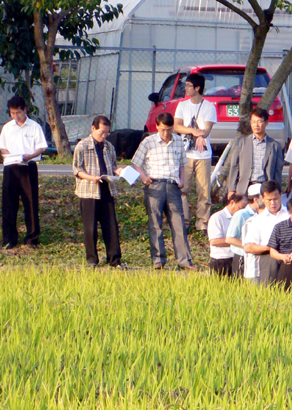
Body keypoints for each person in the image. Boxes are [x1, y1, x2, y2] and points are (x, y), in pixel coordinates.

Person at [130, 112, 196, 270]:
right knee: (155, 223)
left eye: (169, 129)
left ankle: (185, 260)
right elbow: (136, 163)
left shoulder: (178, 141)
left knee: (178, 223)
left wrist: (181, 180)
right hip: (155, 185)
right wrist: (143, 177)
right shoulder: (149, 142)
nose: (166, 133)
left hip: (173, 185)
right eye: (162, 130)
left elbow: (182, 164)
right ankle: (158, 259)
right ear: (157, 127)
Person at [73, 115, 125, 267]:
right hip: (89, 191)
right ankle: (92, 259)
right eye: (101, 132)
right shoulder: (82, 146)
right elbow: (77, 169)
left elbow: (112, 165)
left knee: (111, 226)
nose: (104, 136)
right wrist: (91, 178)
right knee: (90, 228)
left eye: (106, 133)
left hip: (106, 188)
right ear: (93, 128)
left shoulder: (109, 146)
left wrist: (118, 171)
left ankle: (114, 259)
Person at [0, 96, 46, 249]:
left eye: (18, 112)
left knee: (30, 203)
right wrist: (11, 155)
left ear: (25, 110)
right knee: (9, 203)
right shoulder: (7, 127)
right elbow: (2, 147)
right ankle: (9, 238)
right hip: (11, 167)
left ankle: (32, 238)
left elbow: (41, 146)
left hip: (28, 166)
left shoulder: (34, 127)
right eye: (12, 113)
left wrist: (30, 155)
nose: (16, 116)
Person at [174, 72, 217, 233]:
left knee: (203, 191)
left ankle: (202, 223)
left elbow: (207, 129)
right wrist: (193, 131)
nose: (185, 88)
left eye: (188, 86)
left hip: (203, 155)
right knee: (182, 189)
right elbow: (177, 126)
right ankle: (183, 221)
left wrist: (201, 135)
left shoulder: (209, 107)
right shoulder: (182, 105)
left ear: (197, 88)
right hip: (185, 155)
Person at [226, 107, 284, 197]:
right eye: (253, 122)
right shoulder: (241, 142)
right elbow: (234, 166)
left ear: (266, 122)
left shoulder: (275, 146)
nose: (256, 125)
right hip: (244, 188)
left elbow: (278, 171)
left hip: (265, 188)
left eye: (259, 121)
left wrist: (278, 190)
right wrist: (232, 189)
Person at [241, 180, 289, 285]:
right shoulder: (258, 220)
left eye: (275, 199)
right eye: (269, 200)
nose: (273, 203)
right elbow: (250, 246)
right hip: (267, 260)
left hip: (288, 259)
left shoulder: (289, 215)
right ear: (262, 198)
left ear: (281, 195)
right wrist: (269, 248)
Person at [225, 183, 263, 277]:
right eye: (264, 197)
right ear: (256, 199)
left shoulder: (261, 215)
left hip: (255, 258)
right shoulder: (241, 214)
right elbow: (230, 238)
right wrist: (249, 247)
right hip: (242, 258)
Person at [207, 192, 246, 276]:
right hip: (221, 260)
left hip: (237, 259)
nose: (243, 211)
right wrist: (234, 241)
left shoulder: (242, 217)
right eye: (241, 207)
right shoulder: (217, 217)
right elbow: (214, 241)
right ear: (232, 202)